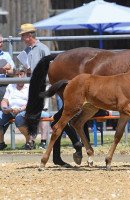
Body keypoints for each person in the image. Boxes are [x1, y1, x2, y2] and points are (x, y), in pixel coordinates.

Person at [19, 23, 83, 163]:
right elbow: (25, 70)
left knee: (59, 117)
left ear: (29, 35)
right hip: (34, 87)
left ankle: (73, 144)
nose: (22, 38)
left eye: (23, 35)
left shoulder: (43, 49)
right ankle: (67, 149)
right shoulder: (26, 51)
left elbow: (52, 68)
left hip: (44, 86)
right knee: (59, 118)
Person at [0, 66, 49, 150]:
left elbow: (31, 103)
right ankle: (1, 143)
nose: (19, 77)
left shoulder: (30, 86)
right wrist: (4, 108)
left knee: (19, 118)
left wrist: (20, 109)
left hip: (26, 110)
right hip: (10, 110)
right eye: (17, 74)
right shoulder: (10, 86)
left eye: (21, 74)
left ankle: (29, 141)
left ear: (25, 74)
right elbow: (5, 100)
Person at [0, 34, 15, 102]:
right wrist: (5, 67)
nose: (0, 44)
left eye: (1, 42)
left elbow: (13, 72)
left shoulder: (6, 55)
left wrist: (5, 71)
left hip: (4, 85)